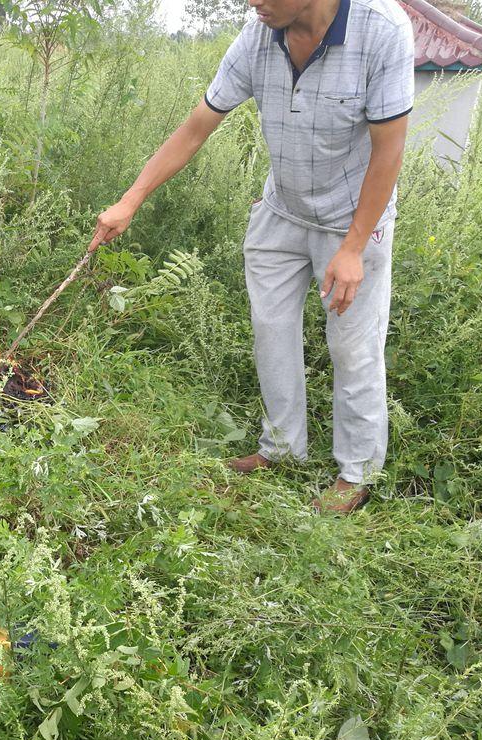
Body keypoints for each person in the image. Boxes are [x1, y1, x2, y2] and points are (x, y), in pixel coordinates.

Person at [90, 0, 414, 514]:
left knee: (353, 345)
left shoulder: (381, 30)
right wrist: (130, 200)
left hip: (352, 219)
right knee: (271, 329)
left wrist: (353, 247)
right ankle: (282, 448)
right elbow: (198, 126)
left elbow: (389, 149)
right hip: (282, 210)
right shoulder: (259, 35)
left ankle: (356, 473)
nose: (253, 3)